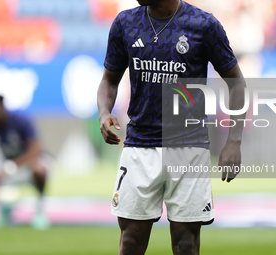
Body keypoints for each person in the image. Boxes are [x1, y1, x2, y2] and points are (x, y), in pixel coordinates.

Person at [97, 0, 246, 254]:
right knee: (130, 241)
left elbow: (236, 83)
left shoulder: (204, 24)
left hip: (189, 148)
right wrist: (104, 113)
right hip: (139, 146)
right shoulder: (125, 23)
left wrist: (234, 141)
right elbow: (109, 80)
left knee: (185, 243)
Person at [0, 94, 50, 229]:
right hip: (5, 168)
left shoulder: (21, 121)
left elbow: (35, 151)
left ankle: (39, 211)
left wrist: (9, 168)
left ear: (1, 109)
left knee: (39, 169)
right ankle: (4, 206)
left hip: (25, 167)